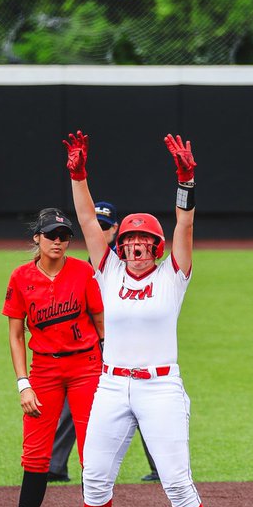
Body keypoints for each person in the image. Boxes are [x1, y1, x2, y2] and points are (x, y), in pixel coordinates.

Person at [41, 130, 217, 507]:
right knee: (95, 475)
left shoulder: (174, 276)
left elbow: (185, 227)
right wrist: (78, 175)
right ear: (121, 246)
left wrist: (185, 181)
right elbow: (84, 218)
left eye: (146, 241)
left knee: (176, 481)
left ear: (157, 249)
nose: (137, 247)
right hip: (113, 386)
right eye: (131, 240)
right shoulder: (109, 269)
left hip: (160, 387)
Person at [0, 208, 133, 507]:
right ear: (37, 238)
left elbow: (101, 323)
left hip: (86, 368)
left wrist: (109, 370)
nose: (58, 241)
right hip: (43, 371)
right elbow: (16, 336)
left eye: (64, 235)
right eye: (51, 235)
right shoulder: (21, 277)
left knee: (93, 456)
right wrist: (22, 384)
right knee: (35, 456)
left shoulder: (83, 272)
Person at [48, 201, 161, 484]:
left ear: (114, 231)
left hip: (121, 345)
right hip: (87, 344)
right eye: (93, 225)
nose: (98, 231)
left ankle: (161, 466)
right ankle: (56, 465)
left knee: (141, 403)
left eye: (104, 227)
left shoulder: (121, 263)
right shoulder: (80, 265)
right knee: (74, 403)